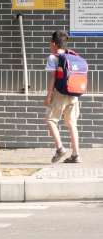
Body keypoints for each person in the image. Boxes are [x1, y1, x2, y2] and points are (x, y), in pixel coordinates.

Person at [45, 30, 81, 163]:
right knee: (72, 124)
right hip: (73, 94)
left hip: (60, 94)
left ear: (54, 43)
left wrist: (48, 96)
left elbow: (53, 79)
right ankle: (76, 155)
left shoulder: (53, 57)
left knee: (50, 120)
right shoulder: (72, 55)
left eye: (50, 43)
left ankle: (60, 148)